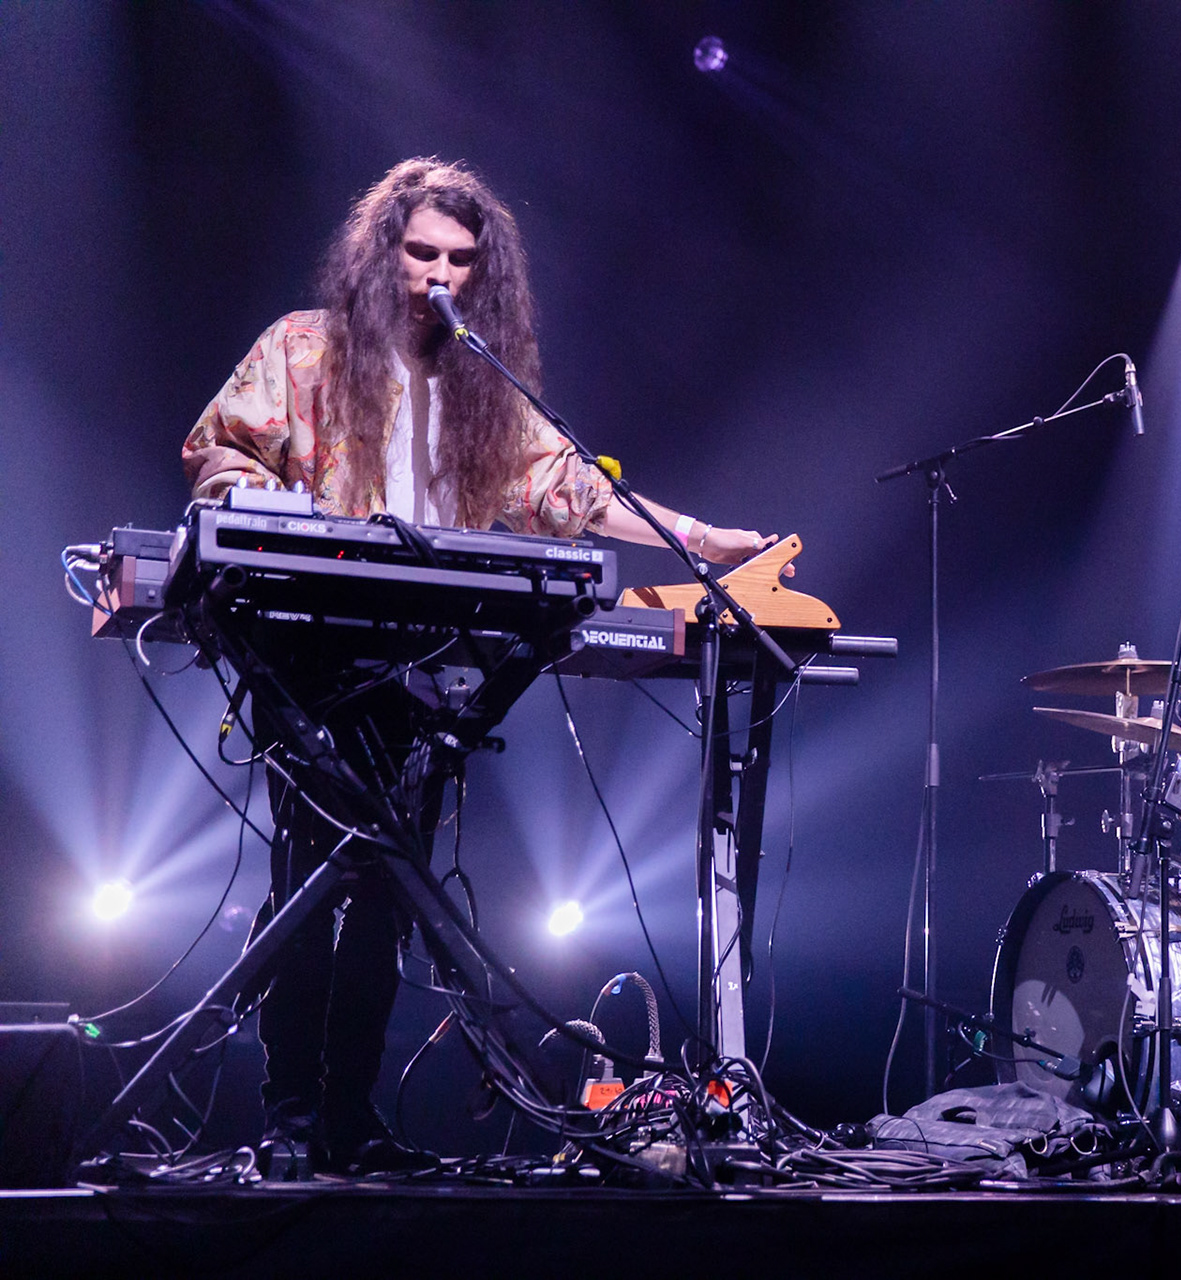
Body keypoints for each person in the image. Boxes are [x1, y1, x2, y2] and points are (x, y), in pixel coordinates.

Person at [182, 157, 783, 1175]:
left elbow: (572, 490)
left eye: (460, 259)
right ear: (382, 253)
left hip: (423, 664)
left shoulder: (480, 384)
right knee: (310, 881)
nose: (439, 274)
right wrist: (261, 501)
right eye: (421, 252)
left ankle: (350, 1122)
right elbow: (220, 449)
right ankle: (288, 1120)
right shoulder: (304, 347)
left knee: (390, 892)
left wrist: (697, 537)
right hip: (312, 646)